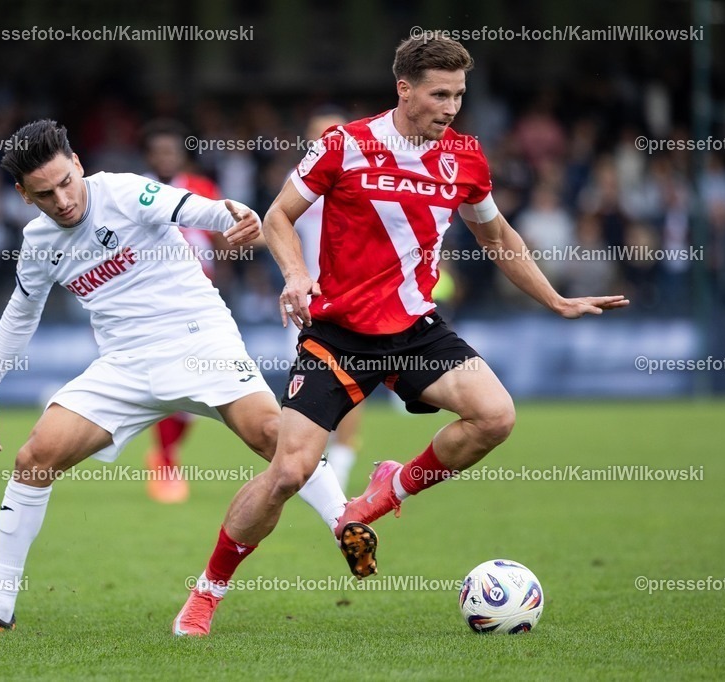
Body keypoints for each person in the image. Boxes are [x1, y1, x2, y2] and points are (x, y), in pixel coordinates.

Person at [173, 35, 629, 637]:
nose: (450, 107)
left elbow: (495, 237)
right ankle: (207, 591)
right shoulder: (345, 146)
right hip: (338, 334)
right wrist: (295, 274)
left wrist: (554, 298)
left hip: (416, 330)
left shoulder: (465, 156)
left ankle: (387, 490)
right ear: (404, 89)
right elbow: (279, 214)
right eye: (439, 94)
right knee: (288, 473)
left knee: (495, 416)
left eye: (459, 95)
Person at [0, 119, 350, 634]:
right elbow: (20, 316)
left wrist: (237, 215)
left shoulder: (125, 191)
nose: (64, 200)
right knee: (34, 458)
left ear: (78, 164)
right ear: (25, 196)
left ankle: (346, 522)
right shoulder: (38, 241)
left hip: (197, 337)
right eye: (46, 194)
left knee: (274, 436)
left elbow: (199, 209)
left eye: (67, 182)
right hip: (124, 363)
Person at [138, 120, 227, 504]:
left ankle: (164, 454)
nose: (164, 158)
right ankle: (167, 463)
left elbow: (222, 239)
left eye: (170, 152)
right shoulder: (134, 191)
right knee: (172, 386)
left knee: (199, 392)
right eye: (158, 152)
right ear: (148, 157)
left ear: (181, 155)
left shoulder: (201, 190)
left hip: (201, 300)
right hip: (153, 304)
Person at [287, 107, 362, 490]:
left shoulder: (359, 178)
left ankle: (343, 461)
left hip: (348, 299)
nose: (323, 140)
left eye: (331, 133)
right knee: (306, 388)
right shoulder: (296, 183)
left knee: (350, 383)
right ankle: (314, 466)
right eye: (317, 134)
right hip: (303, 299)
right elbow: (280, 228)